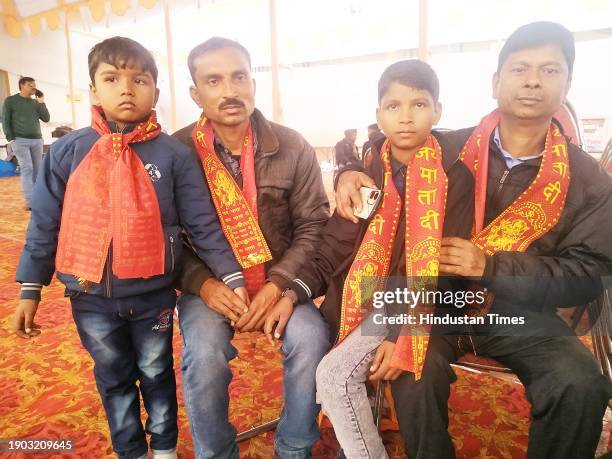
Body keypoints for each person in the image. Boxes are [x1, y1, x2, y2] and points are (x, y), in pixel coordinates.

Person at [334, 22, 612, 458]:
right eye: (520, 68)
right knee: (412, 371)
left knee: (578, 383)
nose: (534, 80)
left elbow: (588, 274)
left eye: (549, 70)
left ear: (568, 83)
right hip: (438, 305)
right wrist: (347, 170)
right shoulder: (444, 151)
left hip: (520, 315)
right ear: (496, 81)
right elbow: (385, 158)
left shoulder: (588, 179)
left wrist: (491, 267)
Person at [12, 36, 247, 459]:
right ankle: (131, 450)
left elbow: (202, 223)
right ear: (94, 90)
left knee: (157, 372)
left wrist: (231, 276)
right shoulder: (68, 151)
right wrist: (30, 286)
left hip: (153, 295)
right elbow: (45, 220)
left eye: (139, 79)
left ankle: (164, 449)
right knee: (113, 376)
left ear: (155, 91)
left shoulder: (174, 155)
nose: (126, 88)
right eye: (112, 78)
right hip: (89, 299)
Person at [270, 59, 474, 458]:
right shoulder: (366, 178)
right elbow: (332, 247)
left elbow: (451, 270)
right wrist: (292, 292)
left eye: (419, 104)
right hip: (363, 298)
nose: (406, 117)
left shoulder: (455, 176)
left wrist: (403, 335)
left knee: (333, 376)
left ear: (438, 111)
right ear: (379, 114)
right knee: (330, 371)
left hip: (418, 301)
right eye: (393, 106)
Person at [172, 37, 330, 459]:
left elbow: (314, 226)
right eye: (214, 80)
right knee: (203, 356)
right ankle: (216, 452)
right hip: (211, 289)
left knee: (312, 340)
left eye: (239, 76)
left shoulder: (292, 146)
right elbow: (164, 238)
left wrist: (282, 286)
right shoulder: (176, 152)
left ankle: (295, 447)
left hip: (282, 284)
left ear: (253, 82)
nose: (230, 90)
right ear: (195, 93)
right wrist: (201, 284)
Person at [2, 76, 50, 209]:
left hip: (37, 140)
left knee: (37, 170)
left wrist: (41, 102)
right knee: (27, 168)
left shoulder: (35, 103)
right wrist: (10, 138)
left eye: (34, 84)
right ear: (22, 85)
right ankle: (30, 202)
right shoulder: (11, 101)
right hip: (19, 140)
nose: (34, 87)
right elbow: (5, 120)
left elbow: (46, 118)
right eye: (30, 84)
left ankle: (38, 199)